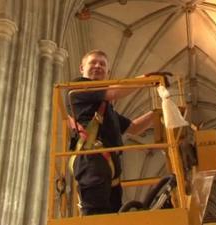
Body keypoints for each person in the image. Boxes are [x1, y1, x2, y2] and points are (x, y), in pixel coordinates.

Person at [66, 49, 156, 216]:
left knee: (114, 216)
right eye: (93, 62)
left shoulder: (106, 110)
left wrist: (157, 113)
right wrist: (146, 80)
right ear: (81, 68)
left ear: (108, 72)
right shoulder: (78, 88)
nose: (98, 66)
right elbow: (114, 92)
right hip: (91, 160)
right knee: (96, 215)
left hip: (110, 168)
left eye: (102, 64)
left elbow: (135, 127)